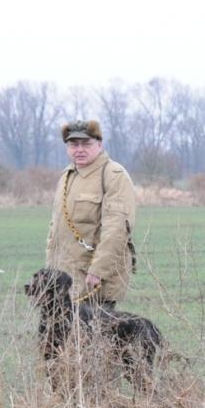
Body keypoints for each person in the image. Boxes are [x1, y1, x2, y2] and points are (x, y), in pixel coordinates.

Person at [46, 120, 138, 308]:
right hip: (65, 279)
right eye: (73, 144)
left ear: (99, 144)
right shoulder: (67, 175)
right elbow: (54, 229)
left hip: (94, 282)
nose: (79, 149)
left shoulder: (113, 175)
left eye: (86, 144)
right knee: (66, 337)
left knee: (92, 336)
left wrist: (99, 270)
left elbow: (117, 230)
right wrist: (50, 272)